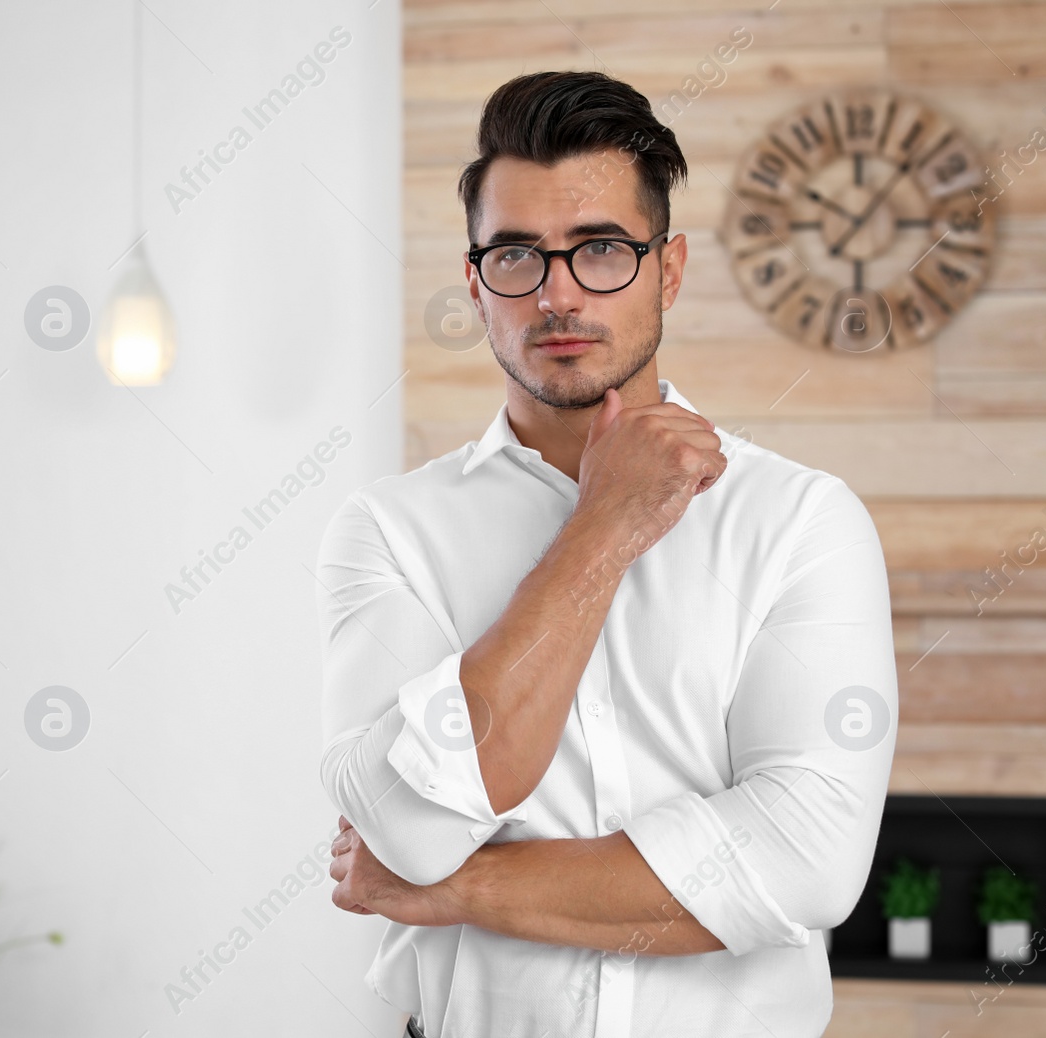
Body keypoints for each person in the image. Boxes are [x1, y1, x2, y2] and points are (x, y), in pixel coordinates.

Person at [316, 70, 897, 1038]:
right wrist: (604, 525)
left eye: (598, 251)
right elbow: (406, 826)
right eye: (515, 256)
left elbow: (806, 860)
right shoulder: (387, 532)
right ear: (473, 284)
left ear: (665, 270)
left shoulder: (801, 519)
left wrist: (456, 888)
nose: (556, 295)